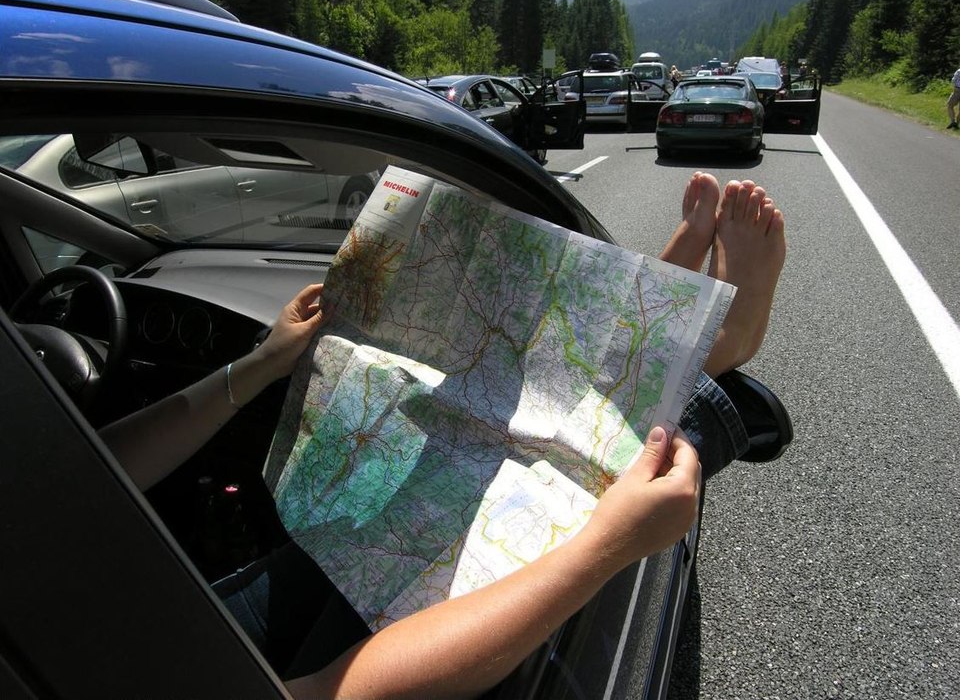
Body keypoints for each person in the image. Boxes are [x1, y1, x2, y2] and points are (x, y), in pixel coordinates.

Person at [100, 172, 787, 699]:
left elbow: (88, 471)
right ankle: (703, 351)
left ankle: (661, 338)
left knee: (358, 542)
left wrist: (259, 364)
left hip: (146, 622)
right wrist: (609, 547)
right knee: (419, 568)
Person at [947, 65, 960, 129]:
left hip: (957, 90)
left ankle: (953, 121)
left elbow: (953, 80)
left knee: (950, 105)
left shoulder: (959, 71)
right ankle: (956, 123)